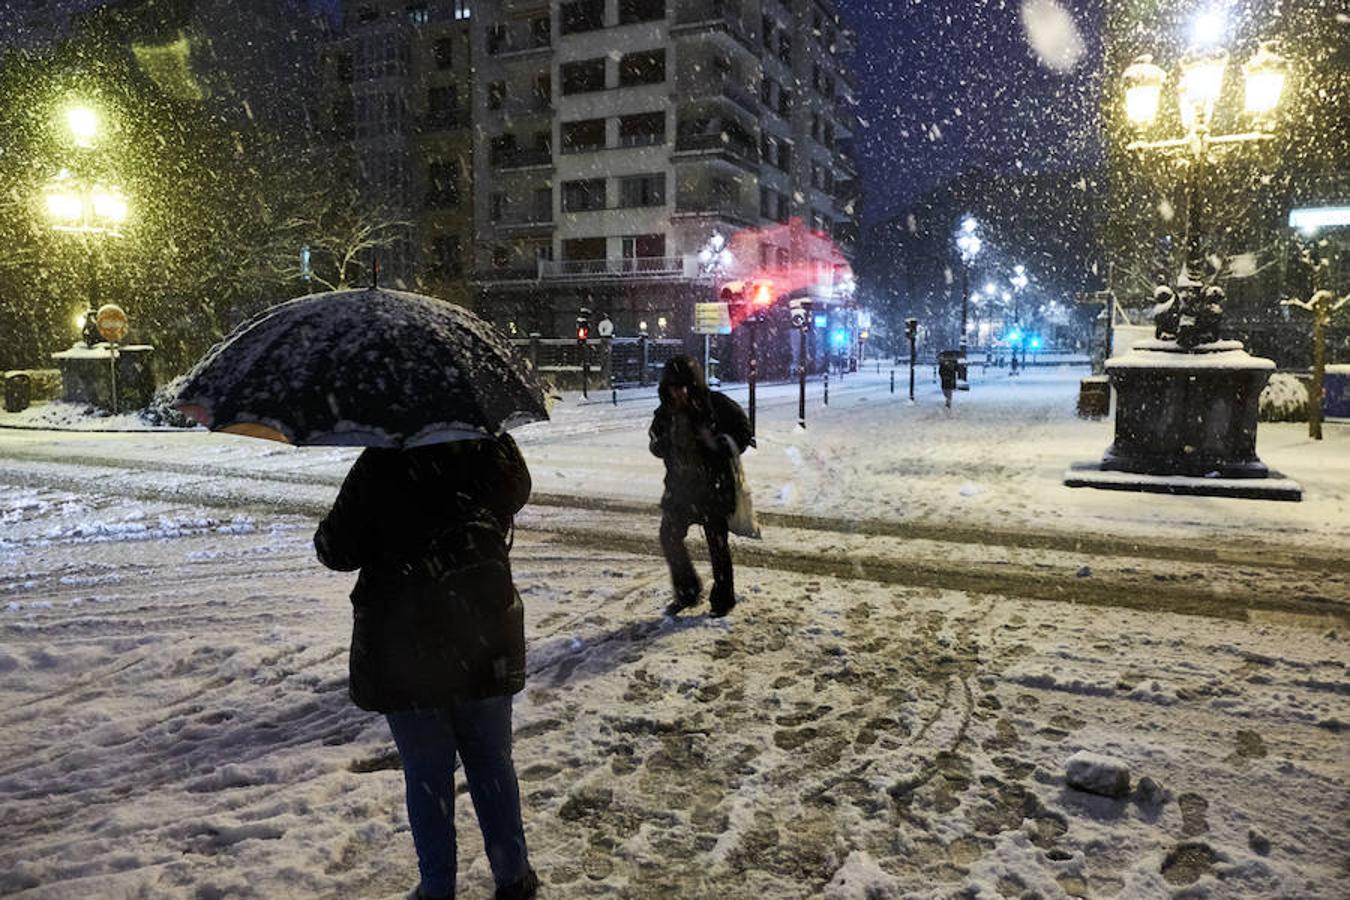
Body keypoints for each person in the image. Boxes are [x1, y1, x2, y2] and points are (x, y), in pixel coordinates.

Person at [314, 435, 538, 900]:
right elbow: (518, 490)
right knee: (491, 760)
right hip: (484, 627)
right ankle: (513, 876)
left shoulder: (380, 462)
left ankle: (437, 888)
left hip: (408, 645)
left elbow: (336, 550)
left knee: (427, 771)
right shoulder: (488, 444)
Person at [648, 355, 753, 618]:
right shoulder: (665, 413)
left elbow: (743, 433)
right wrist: (660, 444)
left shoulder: (715, 405)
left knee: (717, 544)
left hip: (713, 488)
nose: (679, 392)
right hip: (680, 489)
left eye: (684, 386)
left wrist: (718, 444)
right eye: (674, 387)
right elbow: (655, 440)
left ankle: (723, 598)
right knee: (669, 536)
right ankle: (687, 591)